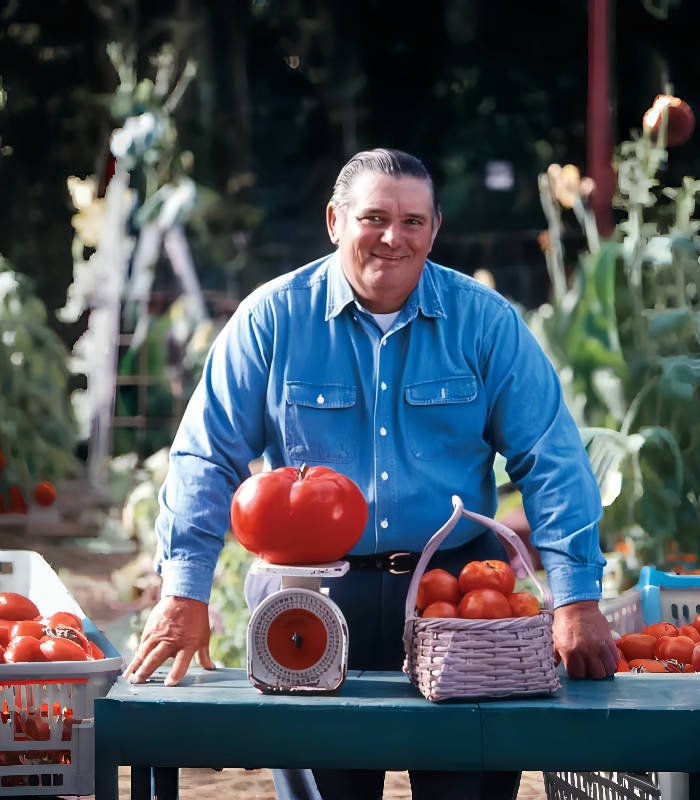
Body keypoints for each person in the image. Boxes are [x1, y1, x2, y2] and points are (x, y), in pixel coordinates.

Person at [124, 147, 618, 800]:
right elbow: (206, 456)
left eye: (414, 221)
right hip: (310, 597)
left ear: (435, 228)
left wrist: (577, 595)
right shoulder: (273, 319)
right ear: (335, 220)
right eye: (374, 217)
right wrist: (183, 590)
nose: (394, 237)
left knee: (465, 790)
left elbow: (552, 460)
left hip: (458, 598)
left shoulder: (486, 323)